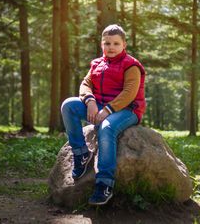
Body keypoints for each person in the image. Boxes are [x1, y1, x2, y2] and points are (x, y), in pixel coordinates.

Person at [61, 24, 146, 206]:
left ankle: (105, 183)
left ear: (124, 45)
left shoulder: (131, 65)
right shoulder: (97, 64)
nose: (111, 47)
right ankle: (81, 154)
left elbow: (129, 92)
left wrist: (107, 110)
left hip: (127, 109)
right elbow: (85, 84)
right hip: (99, 105)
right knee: (68, 105)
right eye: (107, 43)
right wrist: (90, 102)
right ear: (102, 44)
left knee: (106, 128)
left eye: (116, 43)